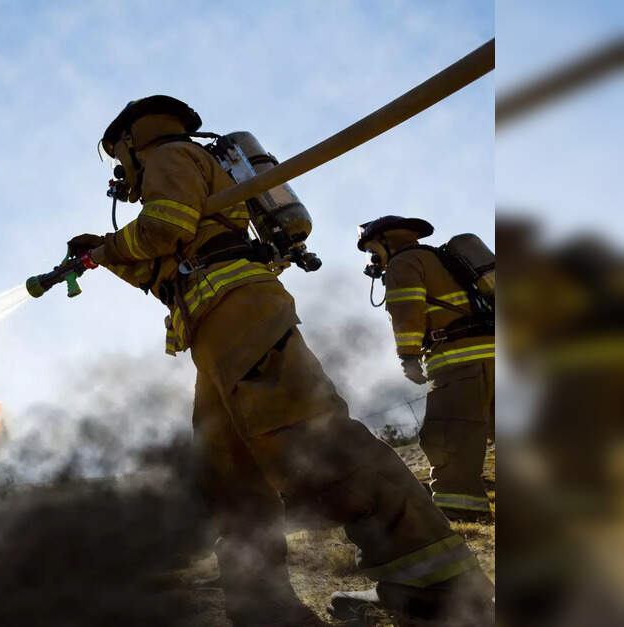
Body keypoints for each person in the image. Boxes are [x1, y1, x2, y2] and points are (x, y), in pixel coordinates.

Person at [69, 95, 492, 626]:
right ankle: (263, 608)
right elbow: (164, 266)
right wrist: (99, 251)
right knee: (229, 473)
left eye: (117, 157)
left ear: (131, 140)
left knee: (308, 437)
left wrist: (106, 249)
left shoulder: (167, 156)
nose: (120, 173)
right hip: (213, 336)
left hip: (242, 316)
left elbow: (161, 230)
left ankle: (440, 592)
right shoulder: (188, 172)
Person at [357, 216, 495, 521]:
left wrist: (408, 357)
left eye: (372, 250)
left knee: (447, 435)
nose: (373, 259)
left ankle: (461, 512)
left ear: (387, 240)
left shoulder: (403, 264)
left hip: (460, 361)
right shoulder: (442, 259)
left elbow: (407, 310)